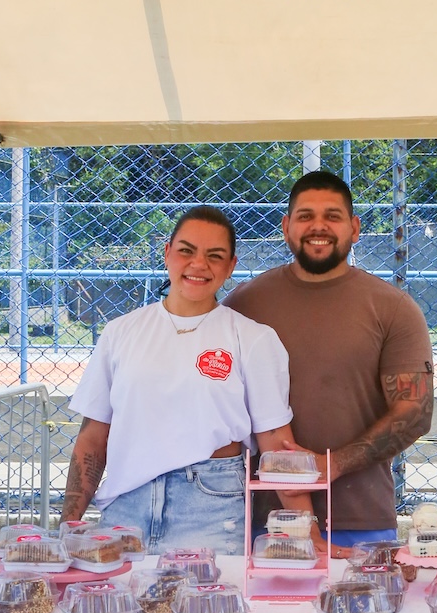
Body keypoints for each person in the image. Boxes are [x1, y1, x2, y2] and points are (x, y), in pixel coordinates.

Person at [62, 205, 309, 550]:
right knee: (119, 588)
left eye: (215, 255)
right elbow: (92, 438)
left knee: (208, 588)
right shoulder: (120, 332)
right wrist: (68, 526)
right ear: (167, 253)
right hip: (125, 507)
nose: (198, 264)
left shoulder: (253, 338)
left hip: (211, 505)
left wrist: (307, 530)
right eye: (186, 251)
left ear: (231, 266)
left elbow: (275, 443)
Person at [225, 171, 434, 547]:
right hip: (266, 521)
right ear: (286, 227)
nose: (318, 226)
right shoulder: (244, 304)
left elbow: (415, 413)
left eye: (332, 216)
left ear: (355, 228)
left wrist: (331, 464)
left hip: (362, 519)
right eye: (305, 216)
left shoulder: (393, 308)